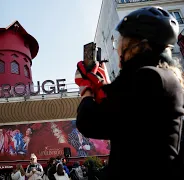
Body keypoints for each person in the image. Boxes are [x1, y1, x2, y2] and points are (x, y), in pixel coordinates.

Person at [75, 6, 184, 180]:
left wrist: (86, 88)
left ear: (135, 44)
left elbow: (90, 122)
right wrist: (102, 83)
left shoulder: (148, 77)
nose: (118, 47)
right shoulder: (163, 76)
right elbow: (122, 110)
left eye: (121, 41)